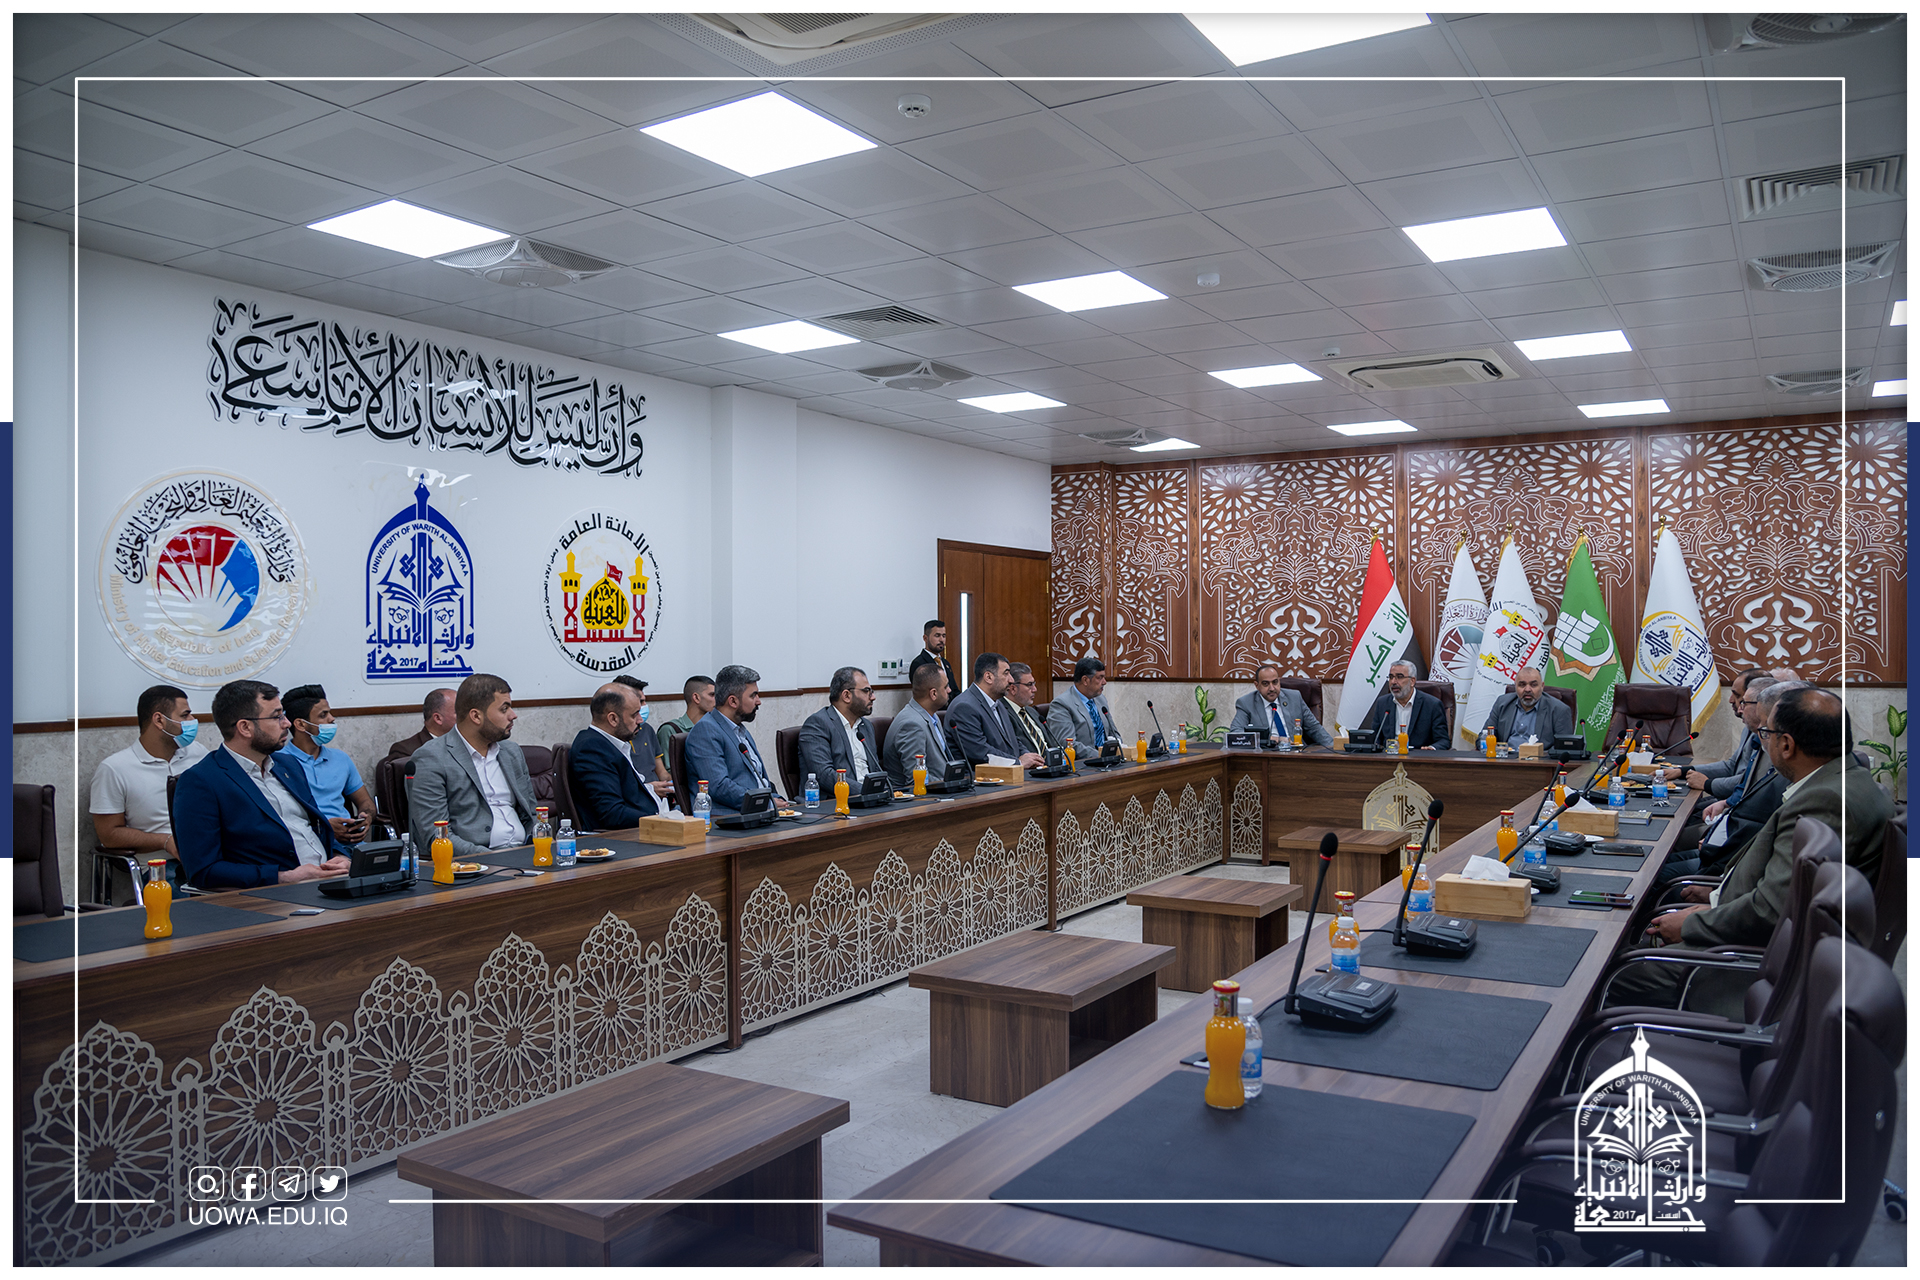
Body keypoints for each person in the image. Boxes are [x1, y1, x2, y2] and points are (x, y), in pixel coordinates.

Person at [1613, 687, 1891, 1010]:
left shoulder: (1826, 801)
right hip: (1745, 930)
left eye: (1766, 734)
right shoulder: (1842, 780)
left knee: (1609, 971)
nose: (1763, 741)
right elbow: (1785, 886)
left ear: (1786, 745)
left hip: (1742, 961)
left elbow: (1769, 911)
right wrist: (1715, 895)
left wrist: (1693, 924)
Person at [172, 680, 353, 889]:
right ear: (245, 727)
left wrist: (341, 856)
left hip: (328, 882)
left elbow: (316, 828)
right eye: (277, 717)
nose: (287, 723)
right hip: (273, 894)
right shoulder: (202, 781)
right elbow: (203, 870)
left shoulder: (288, 765)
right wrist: (283, 878)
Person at [1655, 678, 1787, 881]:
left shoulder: (1777, 754)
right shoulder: (1755, 736)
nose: (1736, 704)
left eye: (1742, 699)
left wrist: (1708, 786)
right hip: (1727, 836)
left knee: (1665, 841)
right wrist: (1686, 772)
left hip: (1732, 856)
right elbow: (1737, 775)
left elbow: (1754, 813)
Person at [89, 683, 210, 891]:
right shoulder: (115, 769)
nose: (192, 720)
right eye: (185, 715)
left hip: (209, 854)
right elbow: (109, 835)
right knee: (190, 902)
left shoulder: (198, 754)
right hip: (163, 865)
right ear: (159, 720)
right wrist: (166, 842)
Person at [408, 673, 536, 860]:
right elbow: (437, 836)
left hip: (524, 854)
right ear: (476, 716)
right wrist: (495, 860)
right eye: (504, 709)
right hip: (473, 863)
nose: (513, 715)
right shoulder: (431, 758)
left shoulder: (511, 752)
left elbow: (531, 814)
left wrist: (536, 848)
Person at [276, 683, 375, 845]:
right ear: (301, 724)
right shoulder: (278, 762)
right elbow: (281, 818)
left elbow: (365, 802)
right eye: (323, 715)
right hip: (308, 844)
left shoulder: (340, 759)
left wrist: (366, 817)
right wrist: (324, 828)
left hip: (351, 843)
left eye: (329, 713)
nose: (332, 719)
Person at [683, 664, 784, 811]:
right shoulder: (706, 731)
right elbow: (719, 787)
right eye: (753, 695)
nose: (758, 701)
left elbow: (759, 779)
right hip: (729, 817)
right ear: (733, 701)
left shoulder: (741, 730)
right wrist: (765, 803)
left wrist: (777, 799)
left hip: (758, 811)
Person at [568, 682, 661, 830]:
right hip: (626, 837)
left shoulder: (611, 744)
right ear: (613, 719)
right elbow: (613, 814)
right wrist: (661, 820)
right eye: (634, 714)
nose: (640, 720)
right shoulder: (592, 749)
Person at [1658, 668, 1767, 795]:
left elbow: (1750, 782)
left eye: (1737, 696)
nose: (1730, 700)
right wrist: (1682, 771)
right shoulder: (1749, 728)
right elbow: (1731, 766)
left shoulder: (1767, 736)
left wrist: (1707, 784)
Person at [798, 666, 883, 793]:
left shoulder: (866, 726)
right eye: (867, 691)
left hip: (869, 798)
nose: (873, 697)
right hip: (836, 800)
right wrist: (865, 792)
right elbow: (824, 775)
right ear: (846, 695)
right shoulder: (818, 725)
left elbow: (875, 770)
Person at [949, 652, 1041, 768]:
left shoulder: (999, 704)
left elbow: (1013, 741)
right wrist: (1018, 762)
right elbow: (979, 752)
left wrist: (1029, 757)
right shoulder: (964, 707)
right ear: (988, 677)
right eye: (1006, 673)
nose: (1011, 680)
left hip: (1008, 774)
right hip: (982, 777)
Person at [884, 662, 962, 789]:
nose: (949, 690)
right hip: (923, 796)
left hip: (942, 789)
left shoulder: (932, 716)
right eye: (946, 687)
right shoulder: (911, 725)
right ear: (933, 694)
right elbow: (916, 780)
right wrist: (948, 783)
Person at [1229, 663, 1334, 747]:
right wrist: (1272, 739)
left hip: (1296, 753)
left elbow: (1315, 729)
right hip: (1266, 755)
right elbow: (1236, 735)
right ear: (1257, 685)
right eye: (1266, 684)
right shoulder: (1246, 703)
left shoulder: (1295, 697)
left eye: (1275, 682)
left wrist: (1334, 749)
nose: (1272, 688)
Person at [611, 673, 675, 802]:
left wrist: (674, 783)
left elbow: (661, 773)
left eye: (645, 701)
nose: (644, 705)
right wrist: (648, 789)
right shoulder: (610, 739)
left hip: (659, 800)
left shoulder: (647, 730)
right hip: (635, 802)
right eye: (640, 702)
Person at [1358, 661, 1448, 749]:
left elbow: (1443, 740)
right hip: (1389, 755)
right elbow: (1376, 738)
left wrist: (1431, 748)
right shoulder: (1382, 703)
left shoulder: (1432, 705)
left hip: (1418, 755)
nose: (1393, 682)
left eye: (1399, 677)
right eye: (1391, 677)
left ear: (1412, 681)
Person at [1476, 666, 1574, 747]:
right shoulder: (1502, 703)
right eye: (1522, 685)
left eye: (1533, 685)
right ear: (1515, 686)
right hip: (1505, 759)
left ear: (1542, 686)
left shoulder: (1559, 710)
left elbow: (1563, 746)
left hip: (1539, 762)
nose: (1527, 689)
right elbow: (1484, 737)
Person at [1047, 657, 1117, 752]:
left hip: (1107, 758)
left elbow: (1114, 733)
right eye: (1100, 678)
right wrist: (1100, 755)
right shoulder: (1061, 704)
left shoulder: (1100, 699)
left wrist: (1120, 749)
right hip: (1084, 760)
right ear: (1085, 680)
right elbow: (1068, 744)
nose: (1104, 682)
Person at [654, 675, 715, 773]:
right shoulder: (670, 729)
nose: (717, 700)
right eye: (712, 695)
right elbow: (669, 773)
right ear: (696, 698)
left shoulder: (713, 729)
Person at [1003, 662, 1058, 757]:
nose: (1034, 689)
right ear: (1013, 689)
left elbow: (1051, 743)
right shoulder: (1002, 713)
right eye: (1029, 685)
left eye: (1034, 684)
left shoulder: (1032, 711)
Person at [387, 687, 457, 759]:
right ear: (438, 718)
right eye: (459, 712)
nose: (463, 717)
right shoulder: (406, 751)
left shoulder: (461, 743)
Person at [908, 619, 957, 703]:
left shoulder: (945, 663)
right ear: (925, 638)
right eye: (937, 636)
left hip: (951, 708)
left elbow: (954, 690)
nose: (941, 640)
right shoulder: (919, 663)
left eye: (944, 636)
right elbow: (925, 695)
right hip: (933, 709)